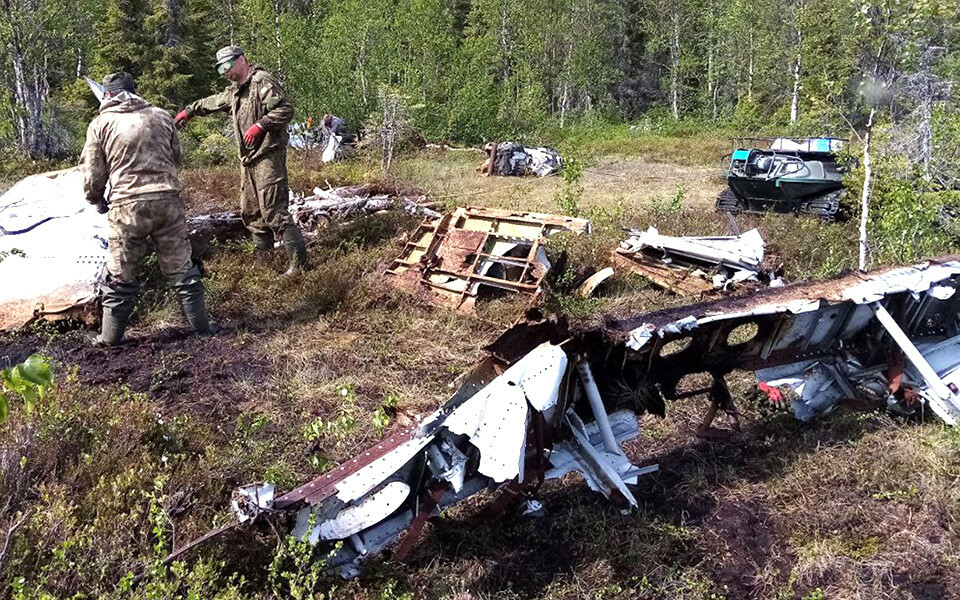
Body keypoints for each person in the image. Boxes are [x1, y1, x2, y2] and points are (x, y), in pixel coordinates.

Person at [80, 72, 212, 345]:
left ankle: (109, 338)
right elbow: (176, 156)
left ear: (107, 94)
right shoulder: (162, 116)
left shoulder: (101, 124)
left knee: (120, 273)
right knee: (182, 268)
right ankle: (202, 328)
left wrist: (96, 199)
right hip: (168, 201)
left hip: (128, 206)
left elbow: (93, 173)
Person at [174, 45, 308, 275]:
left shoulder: (261, 81)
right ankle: (264, 264)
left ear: (242, 60)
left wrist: (260, 125)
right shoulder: (235, 91)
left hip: (268, 156)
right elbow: (213, 102)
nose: (225, 71)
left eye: (227, 65)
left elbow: (285, 110)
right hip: (248, 161)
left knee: (274, 211)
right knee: (253, 213)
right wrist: (190, 110)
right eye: (220, 69)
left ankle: (299, 265)